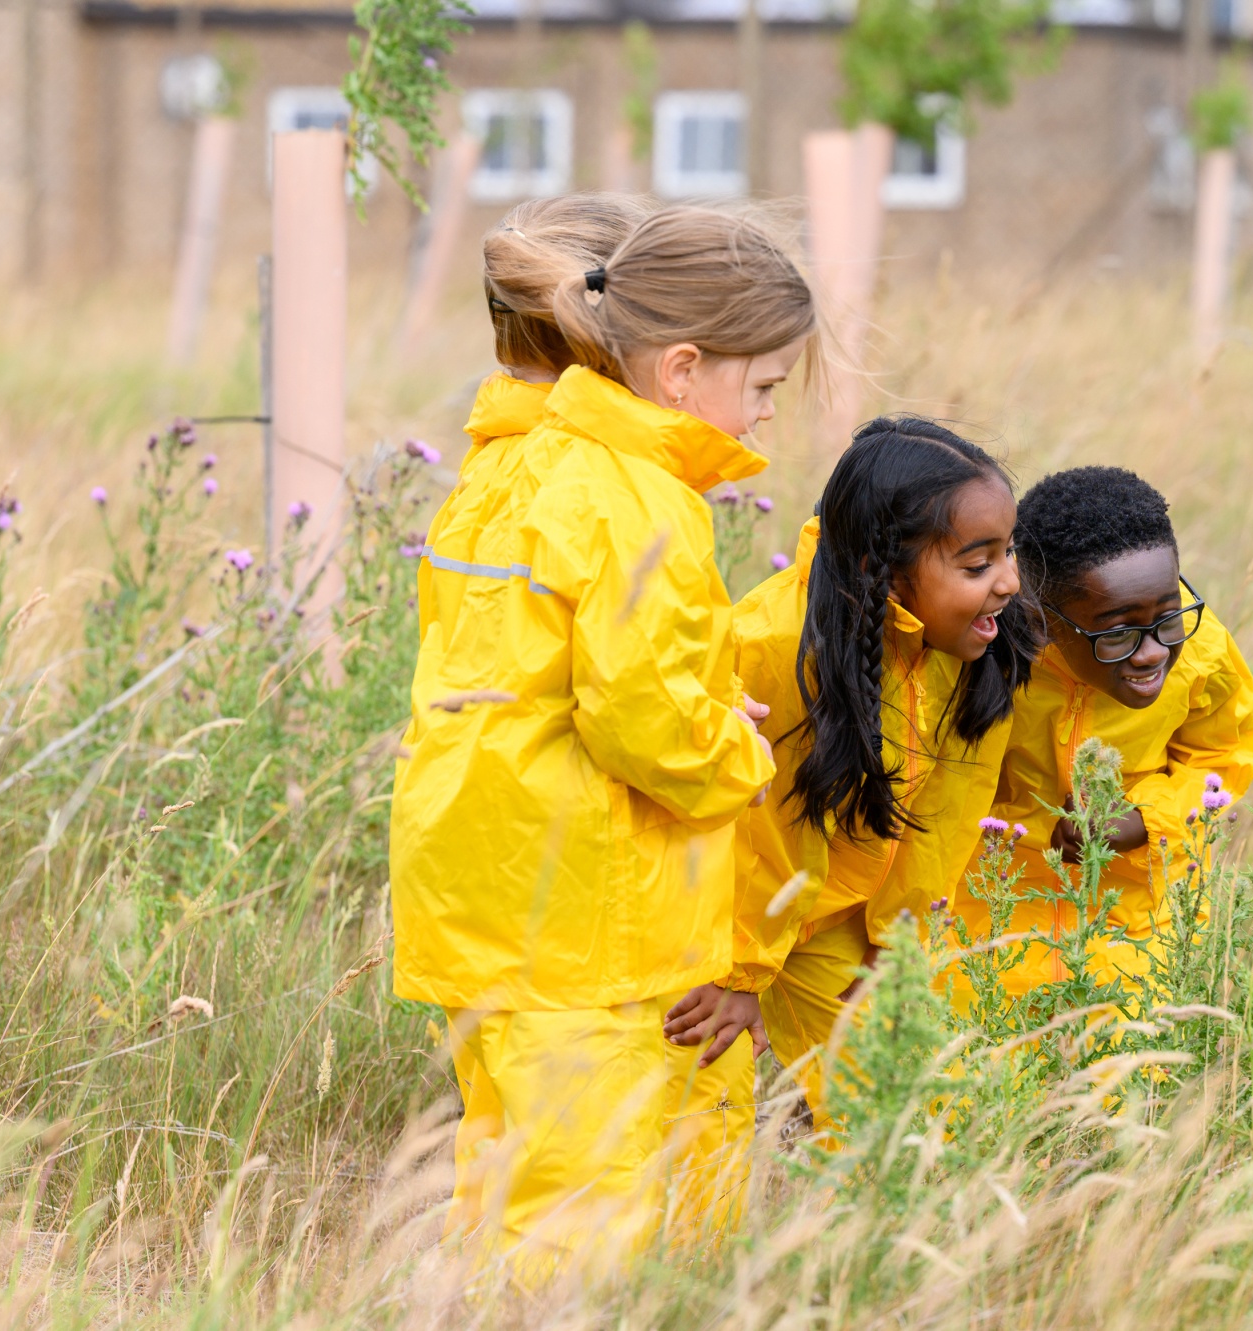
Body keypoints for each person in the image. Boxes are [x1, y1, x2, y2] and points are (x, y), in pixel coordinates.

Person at [390, 204, 817, 1269]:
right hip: (587, 913)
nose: (767, 413)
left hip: (482, 888)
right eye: (764, 384)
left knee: (512, 1175)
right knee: (582, 1216)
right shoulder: (635, 500)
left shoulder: (503, 467)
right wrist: (741, 746)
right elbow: (648, 727)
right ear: (679, 368)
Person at [667, 417, 1039, 1127]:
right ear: (883, 569)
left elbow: (947, 813)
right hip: (736, 915)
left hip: (845, 914)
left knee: (922, 1103)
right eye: (977, 566)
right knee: (736, 1103)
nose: (1010, 582)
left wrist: (894, 948)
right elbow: (760, 834)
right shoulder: (775, 646)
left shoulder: (972, 643)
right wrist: (743, 973)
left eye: (1009, 550)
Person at [952, 465, 1253, 1000]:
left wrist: (1144, 820)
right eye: (1118, 634)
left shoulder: (1202, 650)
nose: (1152, 652)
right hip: (993, 928)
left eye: (1168, 616)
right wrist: (1032, 829)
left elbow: (1224, 756)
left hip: (1141, 931)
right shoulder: (984, 651)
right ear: (1040, 617)